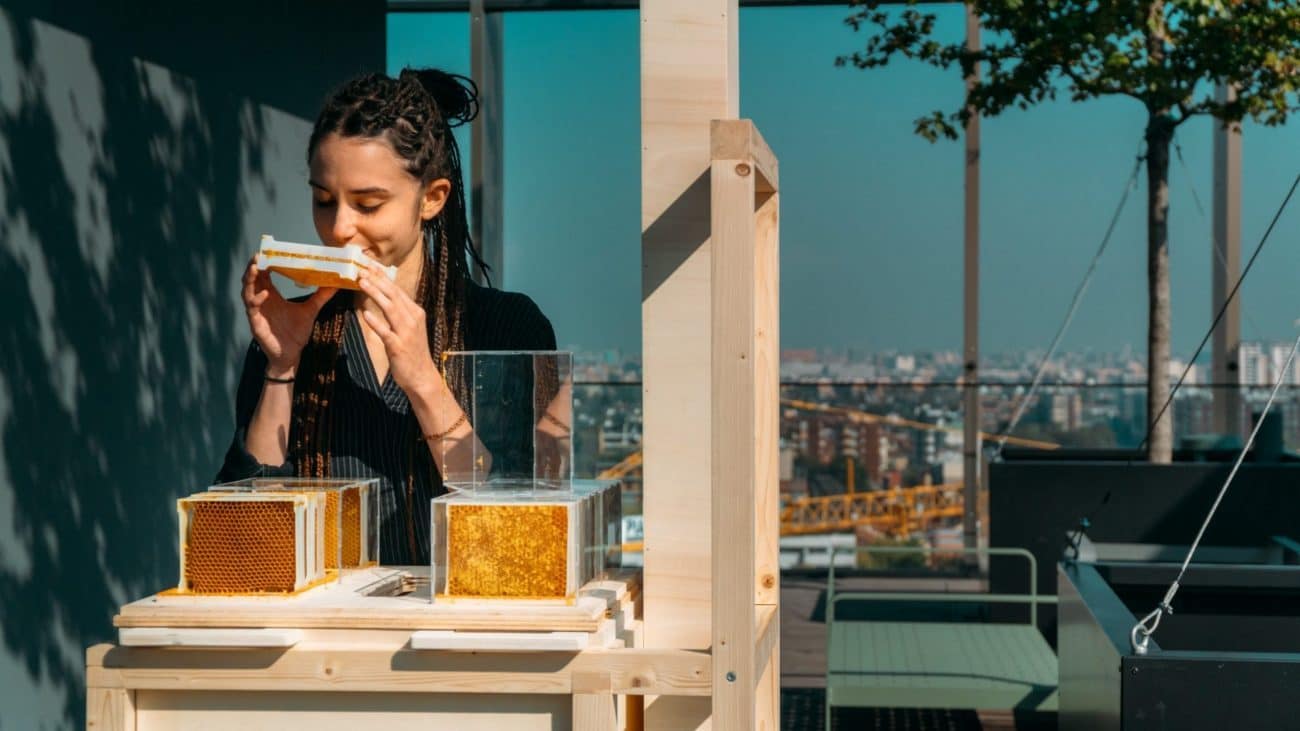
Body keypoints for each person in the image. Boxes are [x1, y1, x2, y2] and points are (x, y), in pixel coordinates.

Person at [216, 68, 556, 565]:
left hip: (463, 632)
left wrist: (423, 380)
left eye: (368, 204)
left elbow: (522, 532)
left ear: (432, 199)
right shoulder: (293, 331)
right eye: (324, 200)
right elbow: (241, 540)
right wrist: (282, 367)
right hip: (327, 632)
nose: (339, 229)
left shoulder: (507, 327)